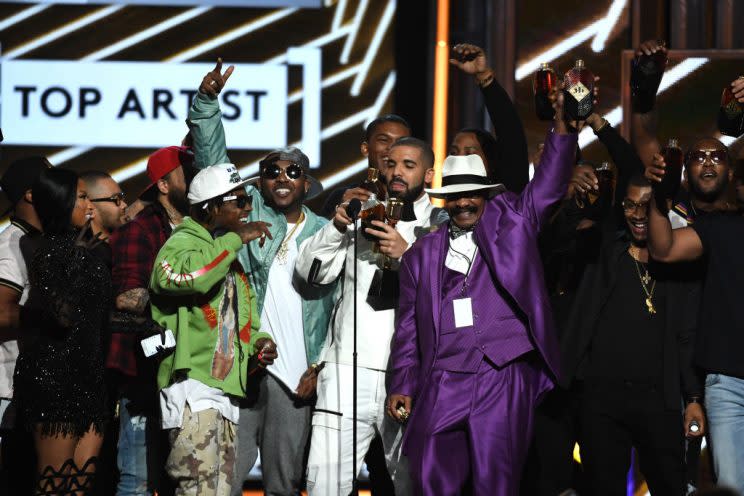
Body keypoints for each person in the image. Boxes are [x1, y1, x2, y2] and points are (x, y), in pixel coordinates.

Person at [386, 94, 577, 495]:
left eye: (471, 193)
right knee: (432, 478)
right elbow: (406, 328)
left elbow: (550, 184)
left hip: (501, 373)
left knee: (497, 483)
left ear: (485, 193)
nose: (463, 202)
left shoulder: (514, 222)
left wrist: (563, 127)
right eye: (454, 195)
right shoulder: (422, 253)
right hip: (443, 377)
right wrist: (402, 382)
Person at [187, 61, 337, 496]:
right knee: (225, 478)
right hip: (244, 363)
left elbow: (339, 306)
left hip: (296, 373)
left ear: (307, 183)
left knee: (284, 481)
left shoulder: (325, 232)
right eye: (271, 171)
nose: (282, 178)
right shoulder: (245, 215)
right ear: (259, 183)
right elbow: (213, 162)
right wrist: (207, 104)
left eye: (293, 171)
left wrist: (319, 366)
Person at [295, 136, 446, 496]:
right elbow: (310, 273)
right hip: (348, 370)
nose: (397, 172)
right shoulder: (362, 212)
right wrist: (337, 226)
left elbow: (453, 295)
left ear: (428, 174)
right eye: (391, 164)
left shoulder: (442, 224)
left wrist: (408, 254)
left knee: (412, 485)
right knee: (325, 486)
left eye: (408, 166)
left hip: (410, 375)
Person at [558, 172, 704, 495]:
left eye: (646, 205)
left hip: (658, 399)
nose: (638, 214)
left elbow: (686, 334)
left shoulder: (675, 263)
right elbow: (560, 239)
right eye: (630, 205)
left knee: (671, 485)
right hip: (603, 400)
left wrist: (693, 396)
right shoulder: (604, 253)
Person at [150, 163, 277, 496]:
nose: (248, 207)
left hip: (221, 391)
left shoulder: (222, 251)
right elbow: (177, 277)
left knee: (216, 491)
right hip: (192, 387)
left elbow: (242, 319)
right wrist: (235, 239)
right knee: (198, 489)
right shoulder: (183, 242)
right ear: (213, 207)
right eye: (239, 200)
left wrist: (260, 342)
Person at [647, 138, 744, 493]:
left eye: (716, 157)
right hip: (727, 387)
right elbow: (664, 249)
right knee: (732, 488)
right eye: (699, 158)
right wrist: (660, 199)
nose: (707, 163)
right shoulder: (723, 228)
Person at [13, 167, 110, 495]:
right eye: (82, 197)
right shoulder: (42, 249)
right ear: (62, 201)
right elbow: (62, 315)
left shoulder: (93, 250)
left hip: (91, 379)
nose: (90, 206)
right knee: (54, 487)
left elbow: (96, 315)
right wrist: (77, 257)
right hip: (53, 380)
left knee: (79, 487)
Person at [107, 146, 193, 496]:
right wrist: (184, 289)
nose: (195, 177)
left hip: (187, 371)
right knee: (137, 477)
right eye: (186, 172)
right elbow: (126, 296)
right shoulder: (140, 228)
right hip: (143, 371)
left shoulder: (202, 230)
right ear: (163, 184)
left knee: (181, 476)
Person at [0, 157, 49, 494]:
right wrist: (51, 316)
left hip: (37, 391)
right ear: (31, 195)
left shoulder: (40, 241)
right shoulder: (10, 244)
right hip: (10, 394)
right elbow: (1, 313)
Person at [448, 43, 530, 192]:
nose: (458, 159)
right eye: (453, 152)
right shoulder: (441, 213)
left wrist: (484, 76)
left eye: (469, 153)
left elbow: (510, 132)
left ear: (490, 164)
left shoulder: (507, 207)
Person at [320, 114, 411, 218]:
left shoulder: (416, 200)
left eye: (401, 142)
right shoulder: (343, 196)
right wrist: (340, 213)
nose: (393, 148)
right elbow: (320, 234)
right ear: (365, 149)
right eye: (384, 140)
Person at [81, 171, 129, 238]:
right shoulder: (82, 247)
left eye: (121, 198)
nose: (124, 205)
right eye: (115, 199)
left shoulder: (125, 243)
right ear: (89, 205)